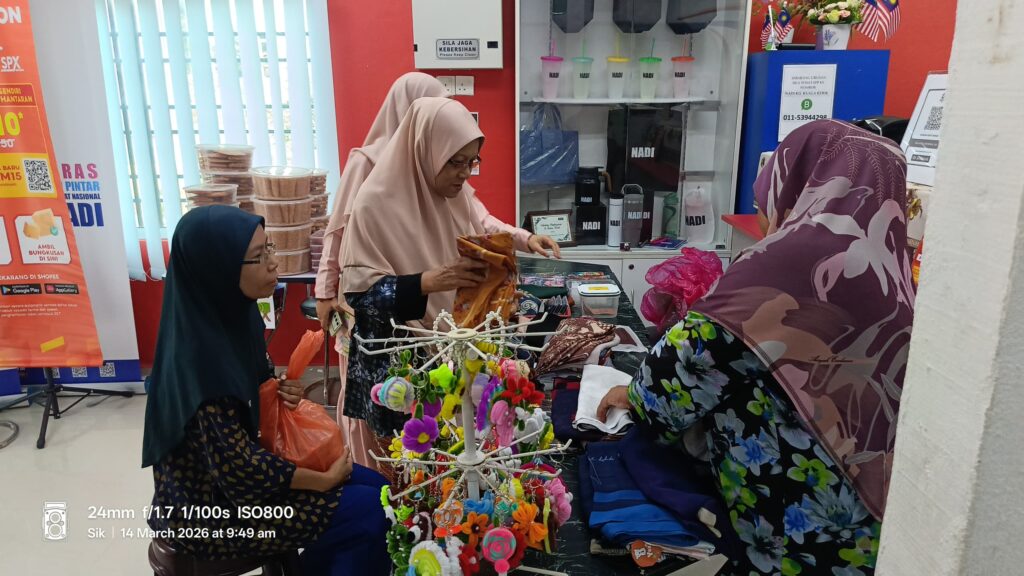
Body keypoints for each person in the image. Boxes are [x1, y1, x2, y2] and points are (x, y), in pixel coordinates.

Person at [598, 120, 915, 576]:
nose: (763, 217)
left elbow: (680, 375)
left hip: (794, 514)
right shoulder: (894, 270)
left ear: (798, 187)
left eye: (762, 203)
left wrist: (631, 393)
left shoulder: (788, 260)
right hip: (867, 518)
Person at [314, 73, 559, 466]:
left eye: (471, 162)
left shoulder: (449, 191)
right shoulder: (374, 199)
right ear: (427, 143)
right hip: (399, 350)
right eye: (456, 162)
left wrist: (523, 238)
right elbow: (359, 290)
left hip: (448, 338)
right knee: (400, 456)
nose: (466, 173)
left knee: (452, 454)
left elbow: (481, 222)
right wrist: (425, 282)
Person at [142, 206, 391, 575]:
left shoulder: (234, 316)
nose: (273, 263)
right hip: (211, 511)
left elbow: (255, 392)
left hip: (244, 483)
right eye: (258, 256)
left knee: (379, 487)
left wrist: (280, 392)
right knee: (369, 510)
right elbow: (240, 470)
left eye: (269, 248)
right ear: (220, 269)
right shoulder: (198, 361)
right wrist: (323, 481)